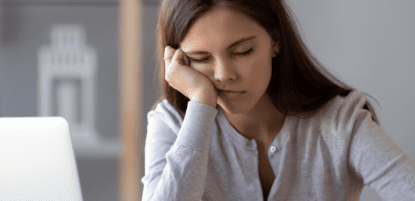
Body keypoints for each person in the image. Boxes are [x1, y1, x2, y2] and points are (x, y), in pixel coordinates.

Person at [141, 0, 415, 200]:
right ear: (178, 61)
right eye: (201, 59)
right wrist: (200, 105)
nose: (224, 75)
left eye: (242, 51)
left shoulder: (340, 122)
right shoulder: (173, 125)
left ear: (275, 41)